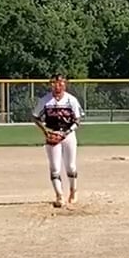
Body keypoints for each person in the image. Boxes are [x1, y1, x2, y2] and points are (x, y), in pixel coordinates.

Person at [32, 75, 84, 209]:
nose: (57, 86)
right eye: (54, 84)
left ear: (65, 85)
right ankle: (59, 196)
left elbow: (77, 120)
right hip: (52, 135)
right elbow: (35, 117)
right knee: (55, 168)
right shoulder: (45, 100)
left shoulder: (71, 100)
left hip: (68, 135)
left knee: (70, 166)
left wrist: (66, 133)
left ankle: (73, 191)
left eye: (60, 83)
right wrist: (45, 131)